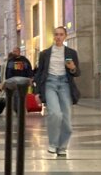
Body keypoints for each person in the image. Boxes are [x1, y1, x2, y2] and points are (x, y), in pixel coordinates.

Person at [34, 25, 81, 157]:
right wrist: (37, 92)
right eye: (56, 34)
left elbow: (77, 73)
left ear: (65, 36)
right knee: (55, 114)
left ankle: (62, 147)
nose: (58, 37)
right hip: (50, 83)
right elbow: (39, 73)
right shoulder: (45, 54)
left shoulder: (72, 53)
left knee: (66, 119)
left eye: (61, 34)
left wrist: (72, 68)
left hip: (65, 84)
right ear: (53, 37)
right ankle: (53, 144)